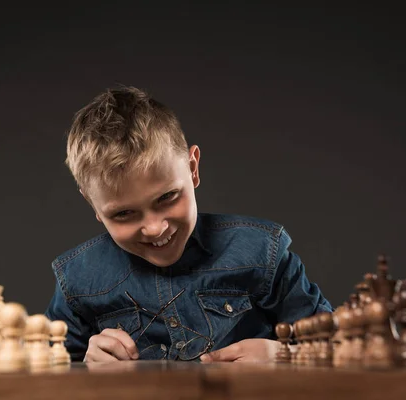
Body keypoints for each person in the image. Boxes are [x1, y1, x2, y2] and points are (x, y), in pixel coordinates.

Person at [44, 85, 332, 363]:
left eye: (167, 197)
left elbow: (338, 348)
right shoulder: (78, 282)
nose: (155, 228)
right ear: (93, 204)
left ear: (193, 168)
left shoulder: (262, 254)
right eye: (123, 214)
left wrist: (288, 357)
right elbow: (40, 380)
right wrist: (82, 369)